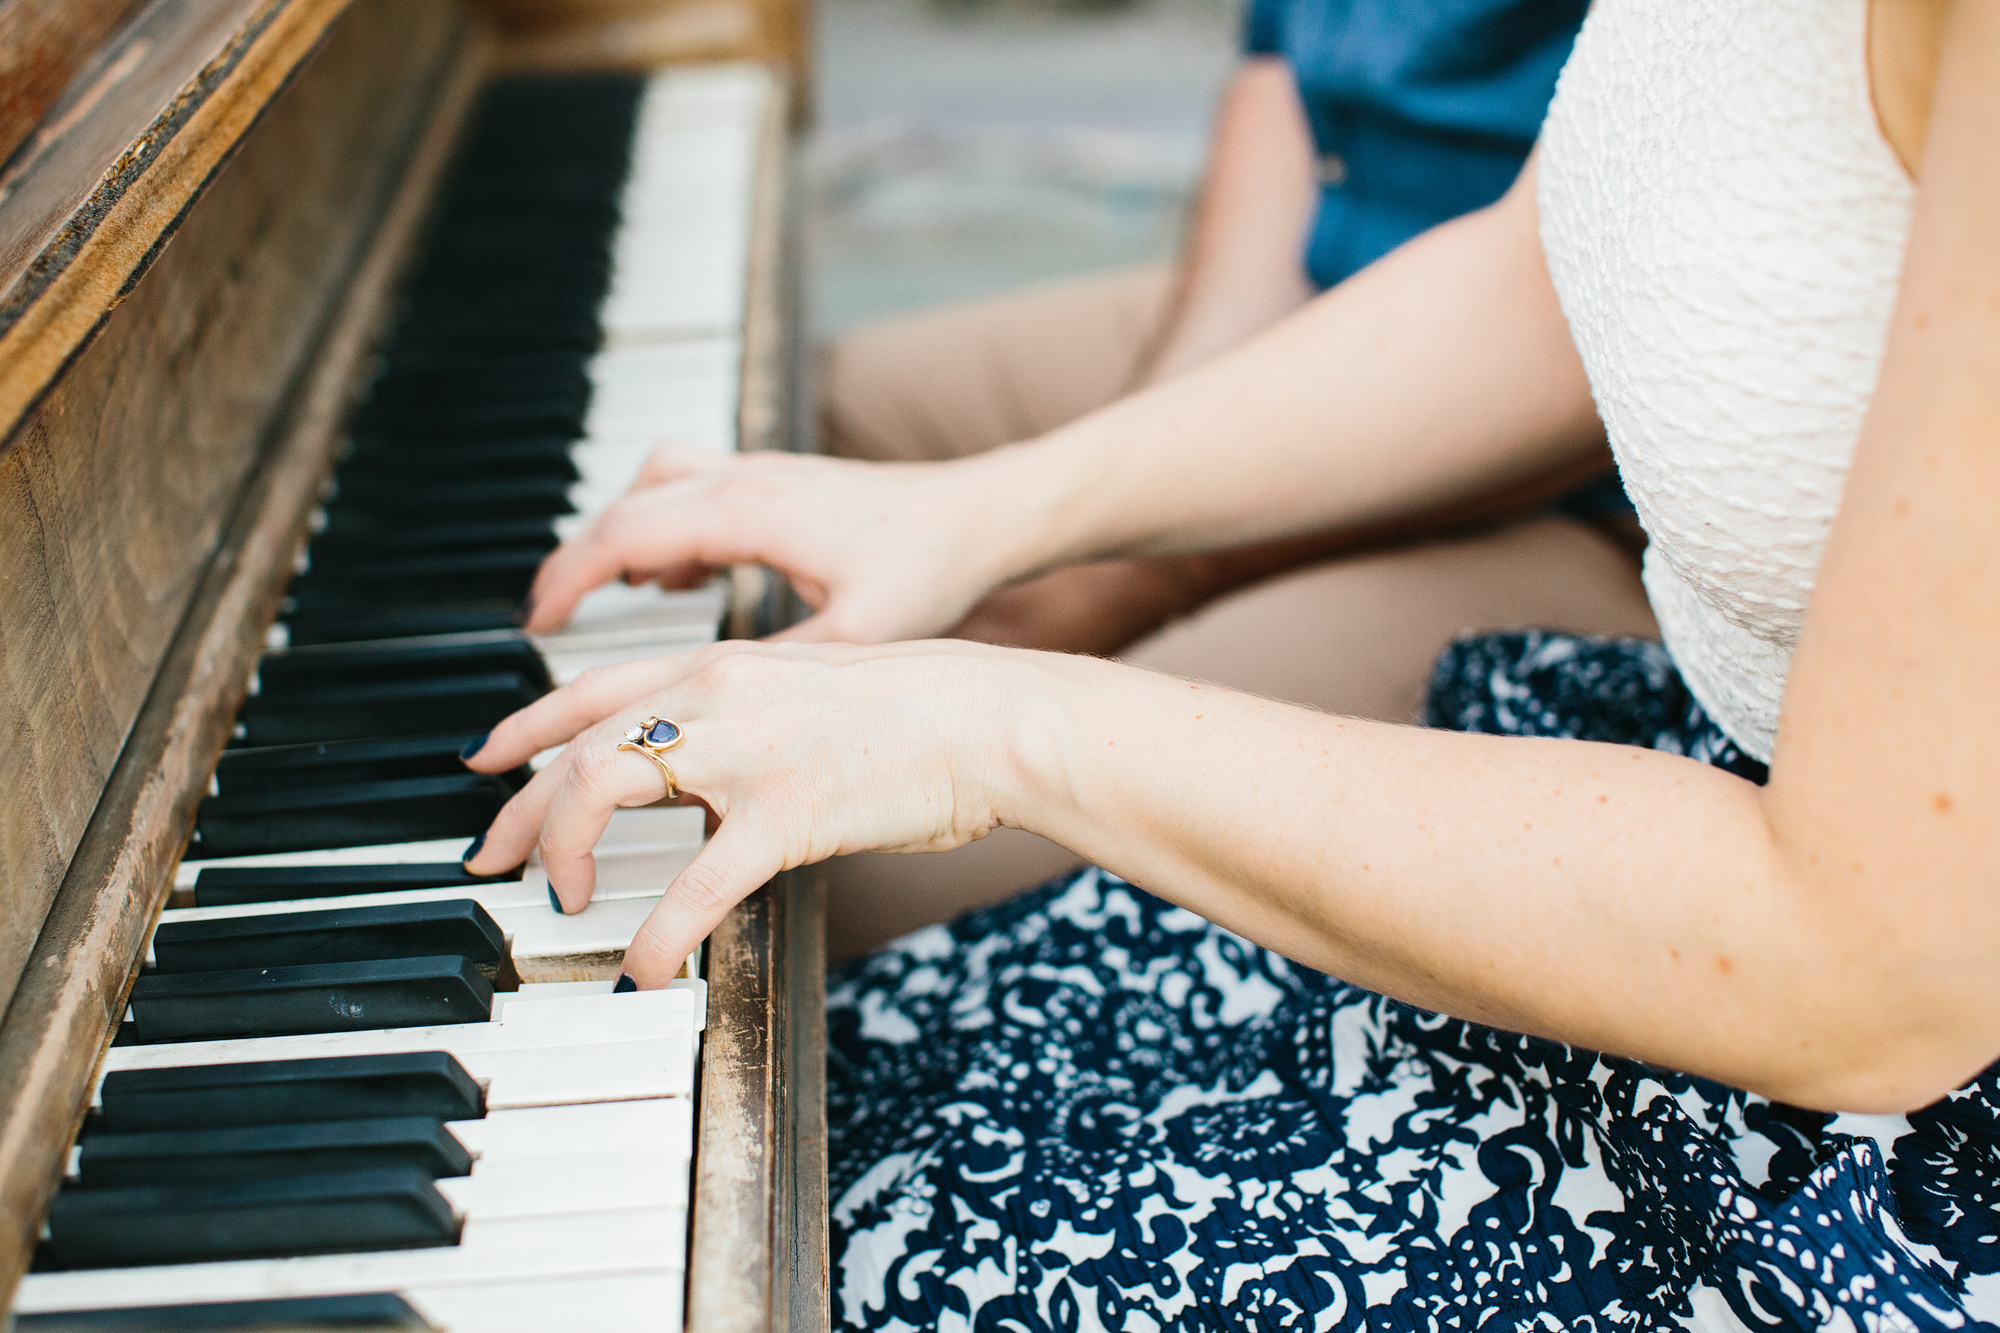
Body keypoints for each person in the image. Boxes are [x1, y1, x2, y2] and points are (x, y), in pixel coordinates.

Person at [464, 0, 2000, 1326]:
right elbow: (1555, 273)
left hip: (1876, 1147)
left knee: (802, 1206)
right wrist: (978, 514)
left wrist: (992, 719)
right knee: (817, 1092)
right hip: (1694, 826)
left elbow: (1867, 971)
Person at [818, 0, 1655, 951]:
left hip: (1597, 487)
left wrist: (1123, 561)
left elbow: (1567, 346)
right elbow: (1284, 74)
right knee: (810, 420)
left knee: (857, 874)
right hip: (1349, 282)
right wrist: (1131, 462)